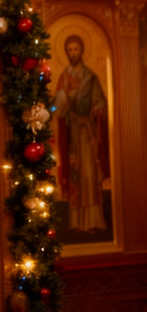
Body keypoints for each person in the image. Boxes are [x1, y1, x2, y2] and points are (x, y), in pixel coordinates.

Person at [54, 34, 110, 233]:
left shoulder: (90, 77)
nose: (73, 53)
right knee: (75, 175)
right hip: (72, 133)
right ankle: (76, 222)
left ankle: (94, 221)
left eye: (76, 49)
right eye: (70, 50)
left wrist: (98, 109)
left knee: (90, 174)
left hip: (87, 132)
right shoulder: (64, 77)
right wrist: (65, 95)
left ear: (82, 51)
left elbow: (100, 101)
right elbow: (58, 108)